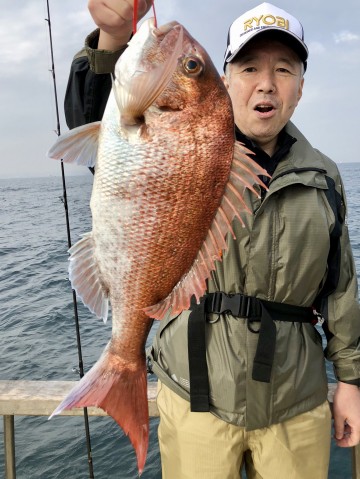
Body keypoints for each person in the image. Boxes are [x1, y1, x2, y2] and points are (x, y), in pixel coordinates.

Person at [64, 1, 360, 478]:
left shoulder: (325, 175)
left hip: (296, 402)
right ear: (226, 79)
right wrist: (111, 40)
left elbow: (341, 287)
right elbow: (105, 128)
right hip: (193, 394)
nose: (266, 83)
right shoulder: (182, 144)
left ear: (300, 88)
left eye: (284, 69)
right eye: (249, 67)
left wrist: (351, 380)